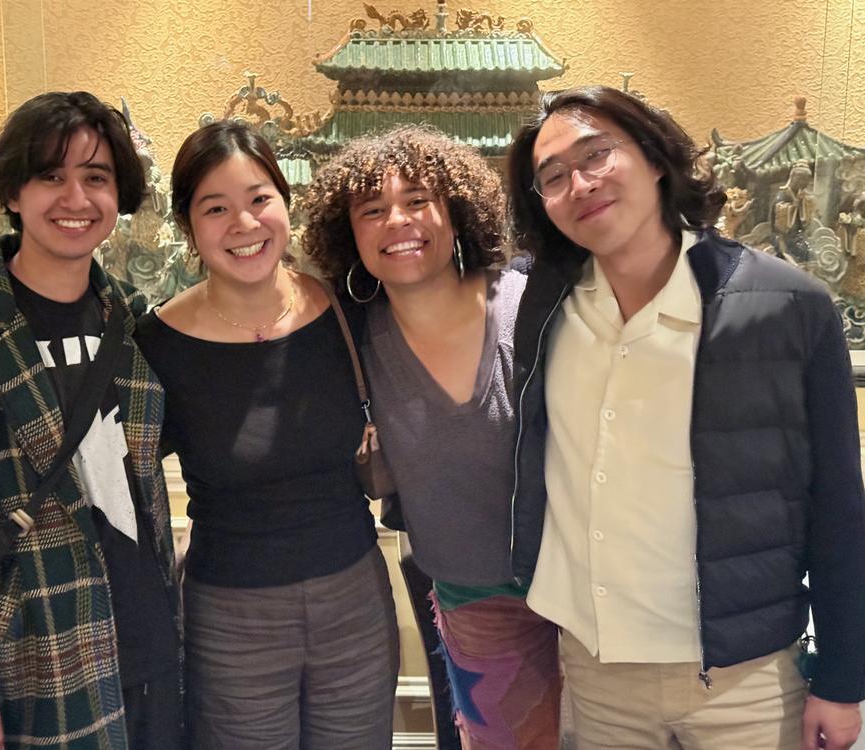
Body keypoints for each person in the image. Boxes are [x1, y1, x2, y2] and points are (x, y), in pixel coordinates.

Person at [506, 84, 865, 750]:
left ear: (654, 158)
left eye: (596, 155)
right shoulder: (547, 303)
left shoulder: (786, 305)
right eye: (552, 177)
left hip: (744, 676)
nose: (579, 184)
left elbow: (839, 502)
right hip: (596, 666)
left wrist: (843, 678)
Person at [0, 91, 182, 750]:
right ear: (12, 192)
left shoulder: (133, 321)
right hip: (35, 670)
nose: (76, 197)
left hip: (154, 651)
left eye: (96, 177)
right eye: (50, 175)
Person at [133, 119, 398, 750]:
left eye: (259, 199)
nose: (244, 224)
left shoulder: (346, 310)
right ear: (188, 226)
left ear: (286, 202)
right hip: (230, 617)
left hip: (354, 602)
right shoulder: (155, 345)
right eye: (216, 208)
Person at [302, 125, 561, 750]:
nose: (398, 221)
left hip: (591, 590)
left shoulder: (530, 304)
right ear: (348, 234)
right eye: (372, 209)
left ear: (456, 211)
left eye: (418, 200)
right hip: (477, 603)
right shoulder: (350, 342)